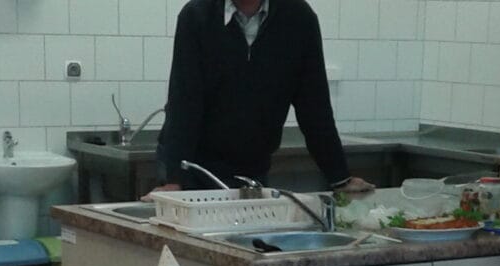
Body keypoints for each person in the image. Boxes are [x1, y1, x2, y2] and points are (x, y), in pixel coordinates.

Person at [153, 0, 373, 193]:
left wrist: (339, 177)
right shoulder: (197, 15)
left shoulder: (299, 19)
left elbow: (315, 108)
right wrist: (174, 179)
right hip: (194, 166)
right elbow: (184, 103)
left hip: (251, 167)